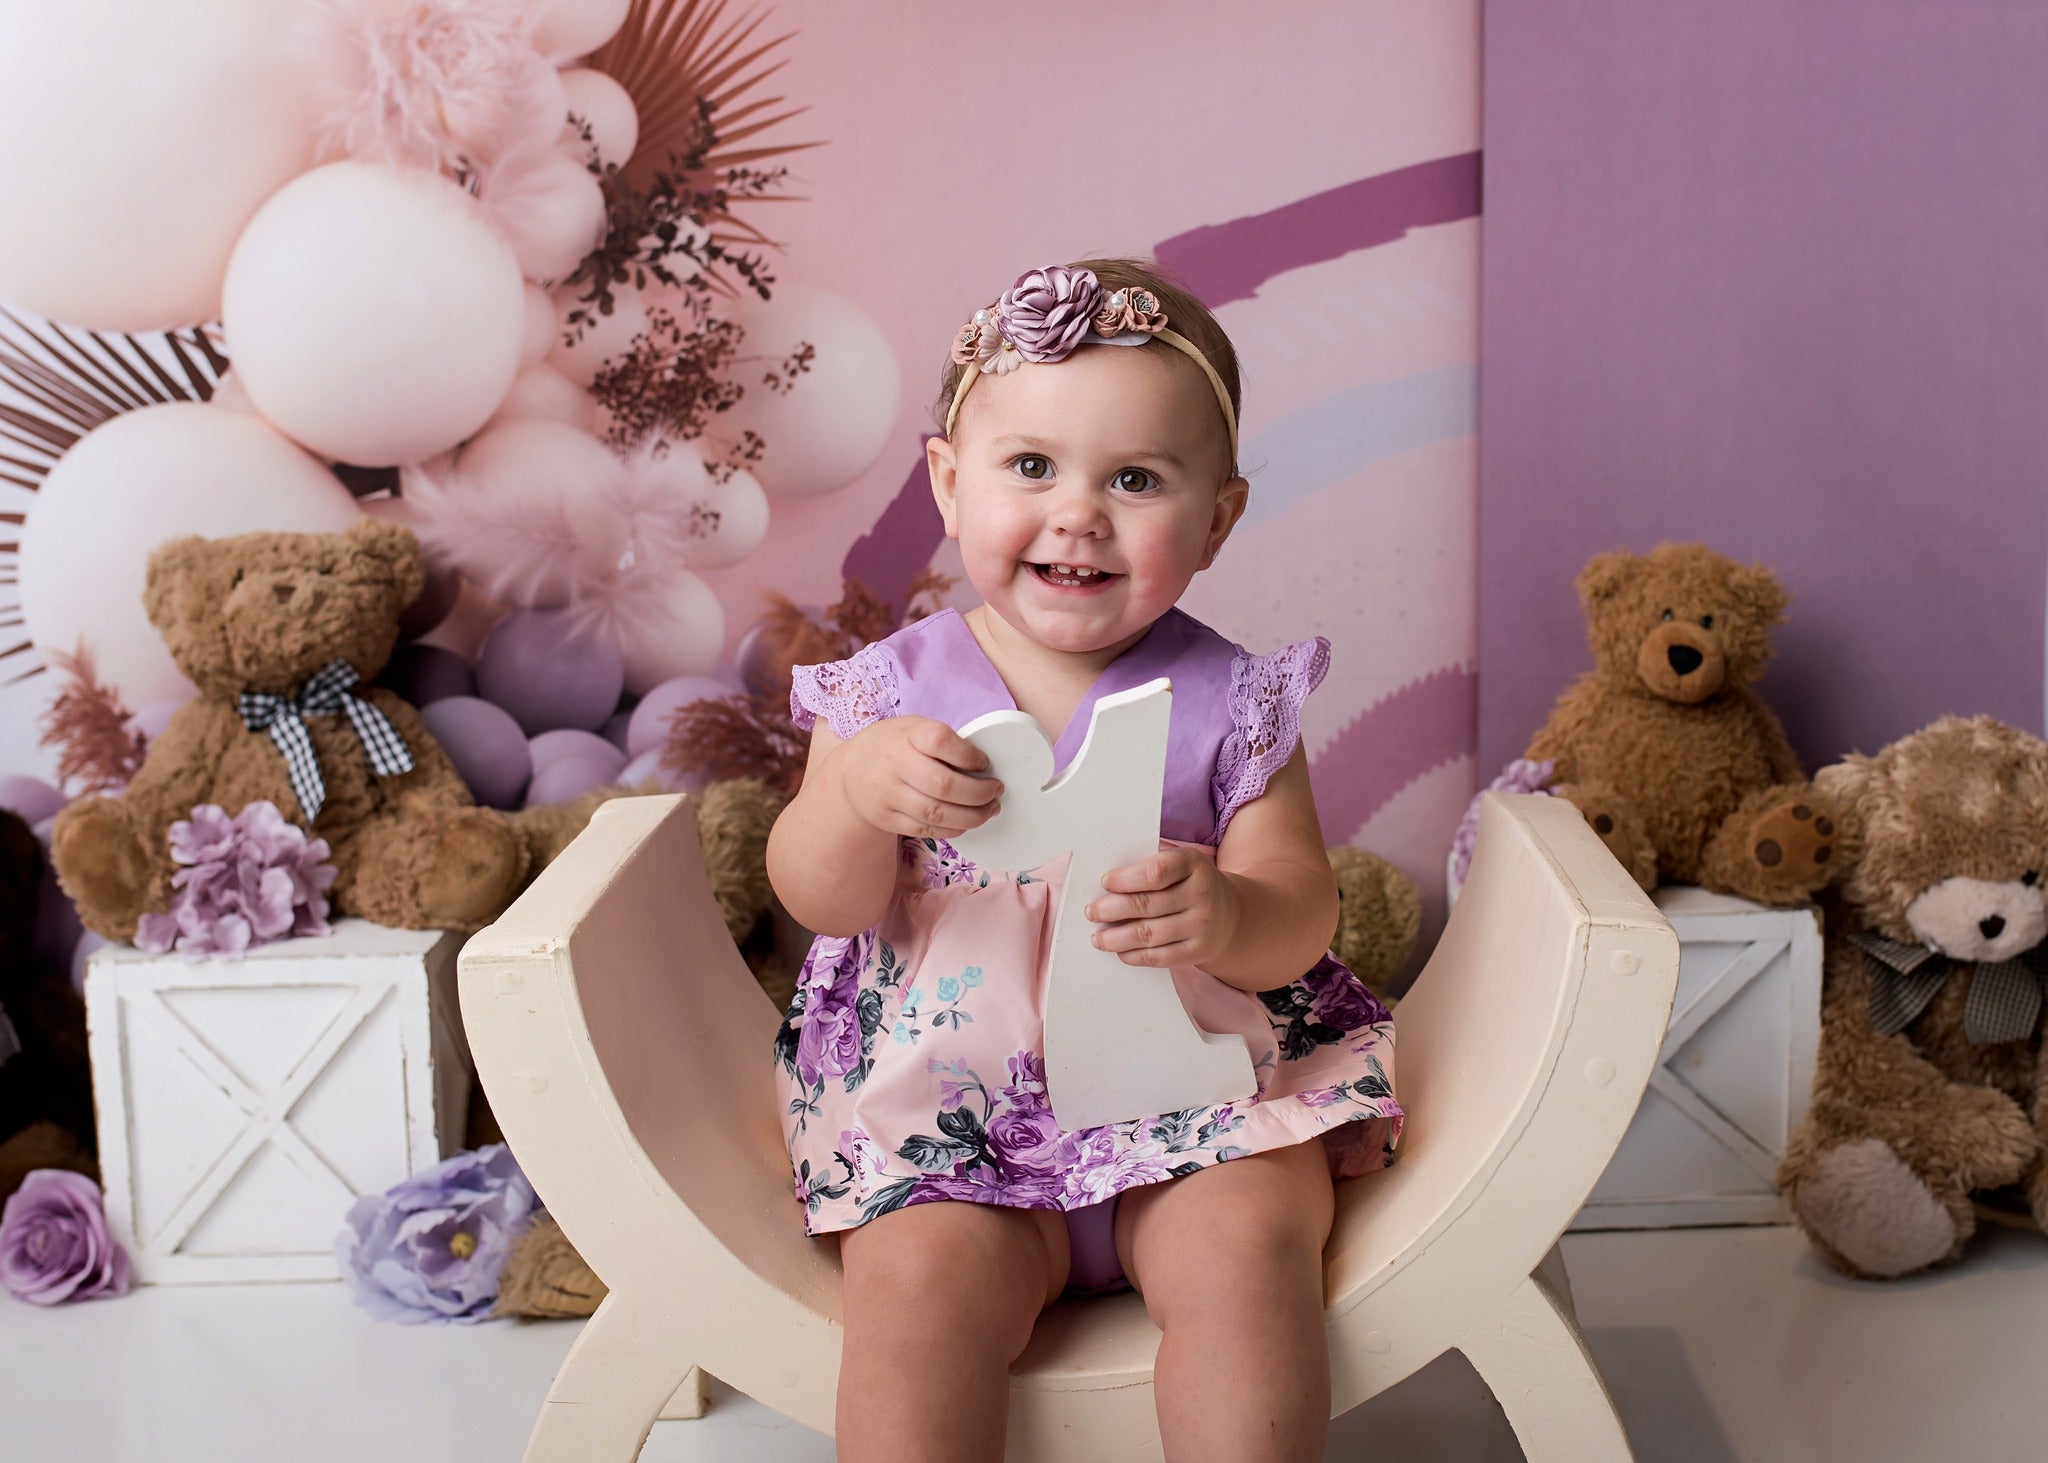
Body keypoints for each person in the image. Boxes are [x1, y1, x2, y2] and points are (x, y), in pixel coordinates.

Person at [765, 259, 1402, 1462]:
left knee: (1252, 1254)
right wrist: (854, 796)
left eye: (1134, 478)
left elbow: (1300, 912)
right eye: (1029, 466)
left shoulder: (1233, 695)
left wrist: (1224, 906)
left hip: (1195, 1104)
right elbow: (819, 896)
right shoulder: (886, 693)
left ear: (1215, 518)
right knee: (911, 1297)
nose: (1077, 513)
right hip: (949, 1123)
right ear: (948, 486)